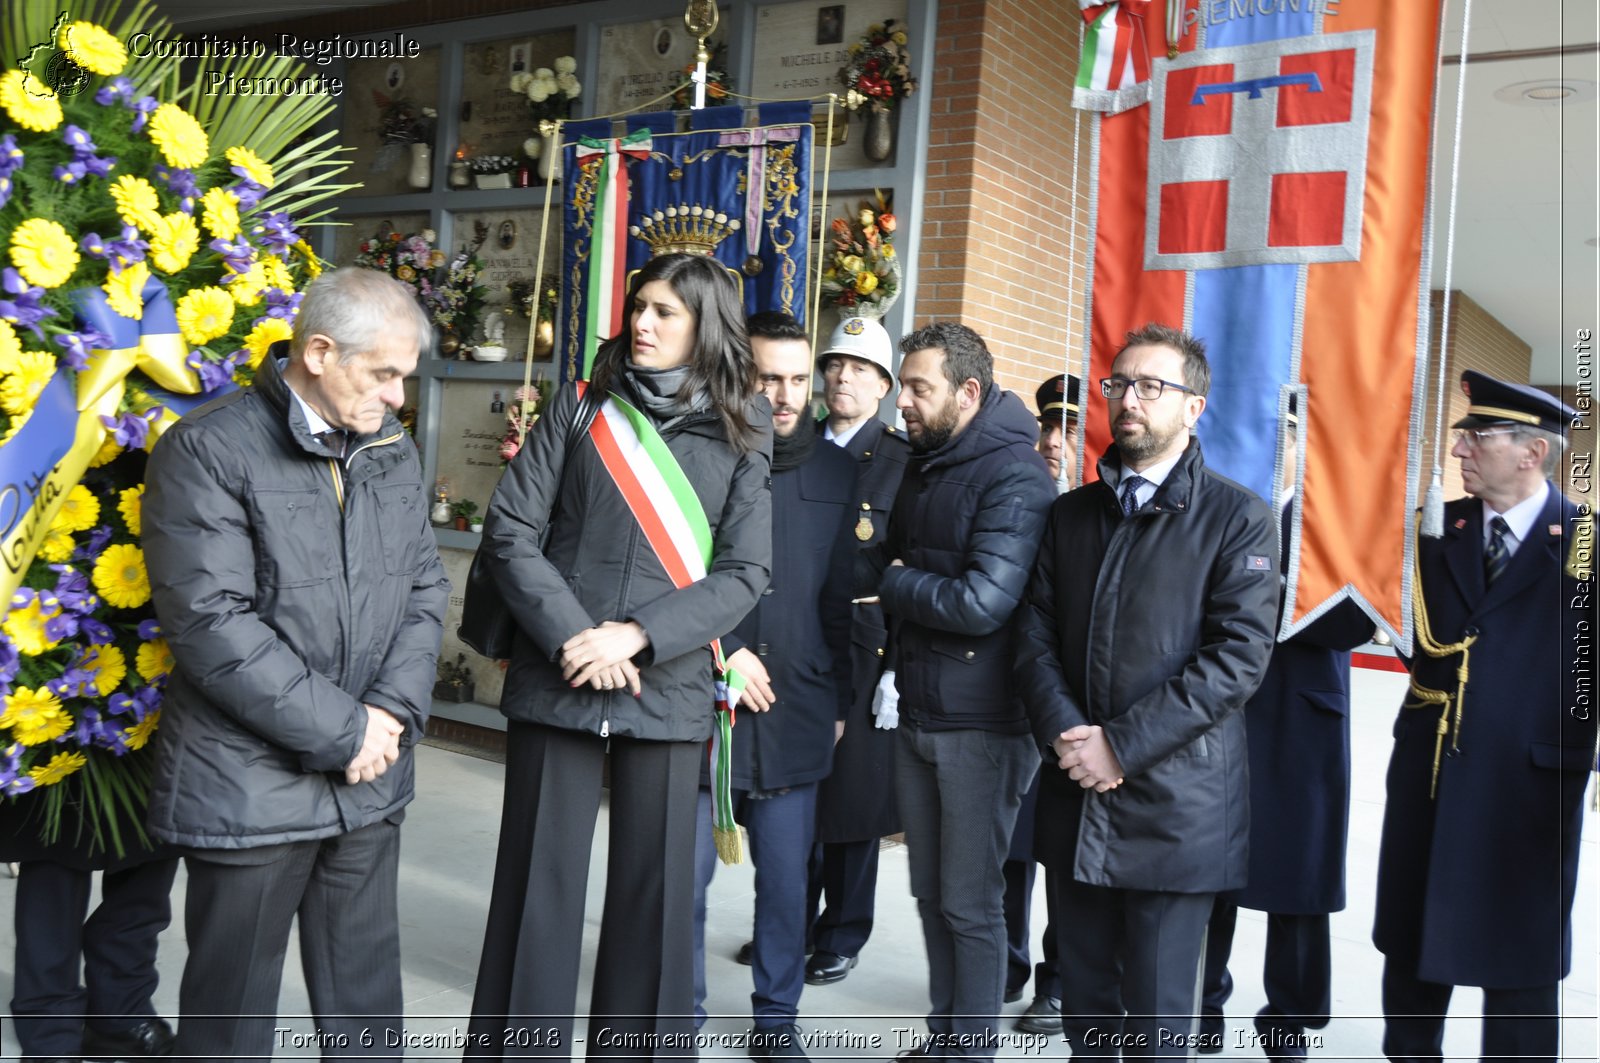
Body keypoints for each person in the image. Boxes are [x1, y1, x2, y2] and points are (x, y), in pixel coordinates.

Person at [467, 252, 772, 1057]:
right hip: (560, 670)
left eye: (665, 311)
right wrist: (578, 635)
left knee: (656, 901)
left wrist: (634, 634)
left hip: (666, 685)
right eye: (639, 306)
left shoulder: (745, 428)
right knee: (538, 887)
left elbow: (747, 571)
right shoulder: (578, 407)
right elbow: (511, 532)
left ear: (706, 325)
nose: (642, 322)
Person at [142, 267, 449, 1058]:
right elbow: (212, 622)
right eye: (384, 373)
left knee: (367, 1013)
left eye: (404, 378)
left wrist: (388, 718)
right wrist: (347, 731)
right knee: (231, 1019)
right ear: (318, 351)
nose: (397, 397)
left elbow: (424, 587)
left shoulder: (389, 447)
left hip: (370, 780)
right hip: (251, 783)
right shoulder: (206, 450)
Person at [1016, 322, 1279, 1058]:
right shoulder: (1070, 514)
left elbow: (1236, 660)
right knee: (1088, 1013)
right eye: (1119, 383)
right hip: (1077, 796)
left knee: (1160, 1023)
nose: (1128, 399)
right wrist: (1072, 736)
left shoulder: (1238, 517)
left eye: (1150, 386)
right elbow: (1033, 634)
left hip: (1177, 812)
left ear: (1193, 408)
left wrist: (1120, 747)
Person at [1374, 371, 1591, 1063]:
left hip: (1530, 791)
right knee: (1413, 948)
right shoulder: (1436, 530)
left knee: (1521, 966)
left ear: (1532, 453)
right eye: (1463, 434)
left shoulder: (1586, 542)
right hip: (1432, 777)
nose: (1459, 447)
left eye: (1477, 436)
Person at [860, 321, 1055, 1063]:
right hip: (921, 707)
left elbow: (981, 602)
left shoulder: (1016, 474)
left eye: (918, 388)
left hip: (984, 726)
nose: (901, 401)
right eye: (903, 385)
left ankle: (968, 1051)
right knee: (931, 893)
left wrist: (895, 581)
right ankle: (948, 1037)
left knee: (971, 904)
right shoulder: (930, 458)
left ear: (968, 393)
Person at [691, 311, 857, 1058]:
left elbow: (845, 603)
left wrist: (841, 703)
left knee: (786, 889)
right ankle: (675, 1015)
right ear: (738, 374)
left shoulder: (838, 473)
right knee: (680, 883)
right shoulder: (696, 457)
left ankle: (776, 1023)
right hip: (698, 708)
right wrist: (716, 652)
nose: (785, 395)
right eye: (768, 377)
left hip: (797, 711)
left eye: (798, 378)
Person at [1198, 403, 1374, 1059]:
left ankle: (1291, 1019)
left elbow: (1353, 620)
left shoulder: (1337, 516)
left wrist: (1260, 588)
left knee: (1298, 876)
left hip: (1303, 714)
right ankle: (1200, 1005)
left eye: (1288, 431)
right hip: (1225, 706)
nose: (1276, 441)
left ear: (1304, 441)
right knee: (1207, 865)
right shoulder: (1221, 504)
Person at [805, 315, 911, 987]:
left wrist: (898, 665)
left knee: (852, 801)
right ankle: (787, 923)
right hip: (798, 637)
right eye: (835, 365)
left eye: (860, 368)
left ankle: (841, 932)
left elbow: (911, 563)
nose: (842, 376)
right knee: (793, 791)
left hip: (868, 645)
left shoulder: (902, 460)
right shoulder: (800, 445)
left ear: (883, 386)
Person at [1002, 370, 1083, 1036]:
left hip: (1072, 705)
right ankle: (1004, 961)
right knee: (1009, 845)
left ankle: (1060, 983)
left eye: (1071, 427)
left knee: (1064, 854)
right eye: (1048, 426)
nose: (1055, 441)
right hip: (1012, 696)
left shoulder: (1098, 506)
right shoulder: (1024, 490)